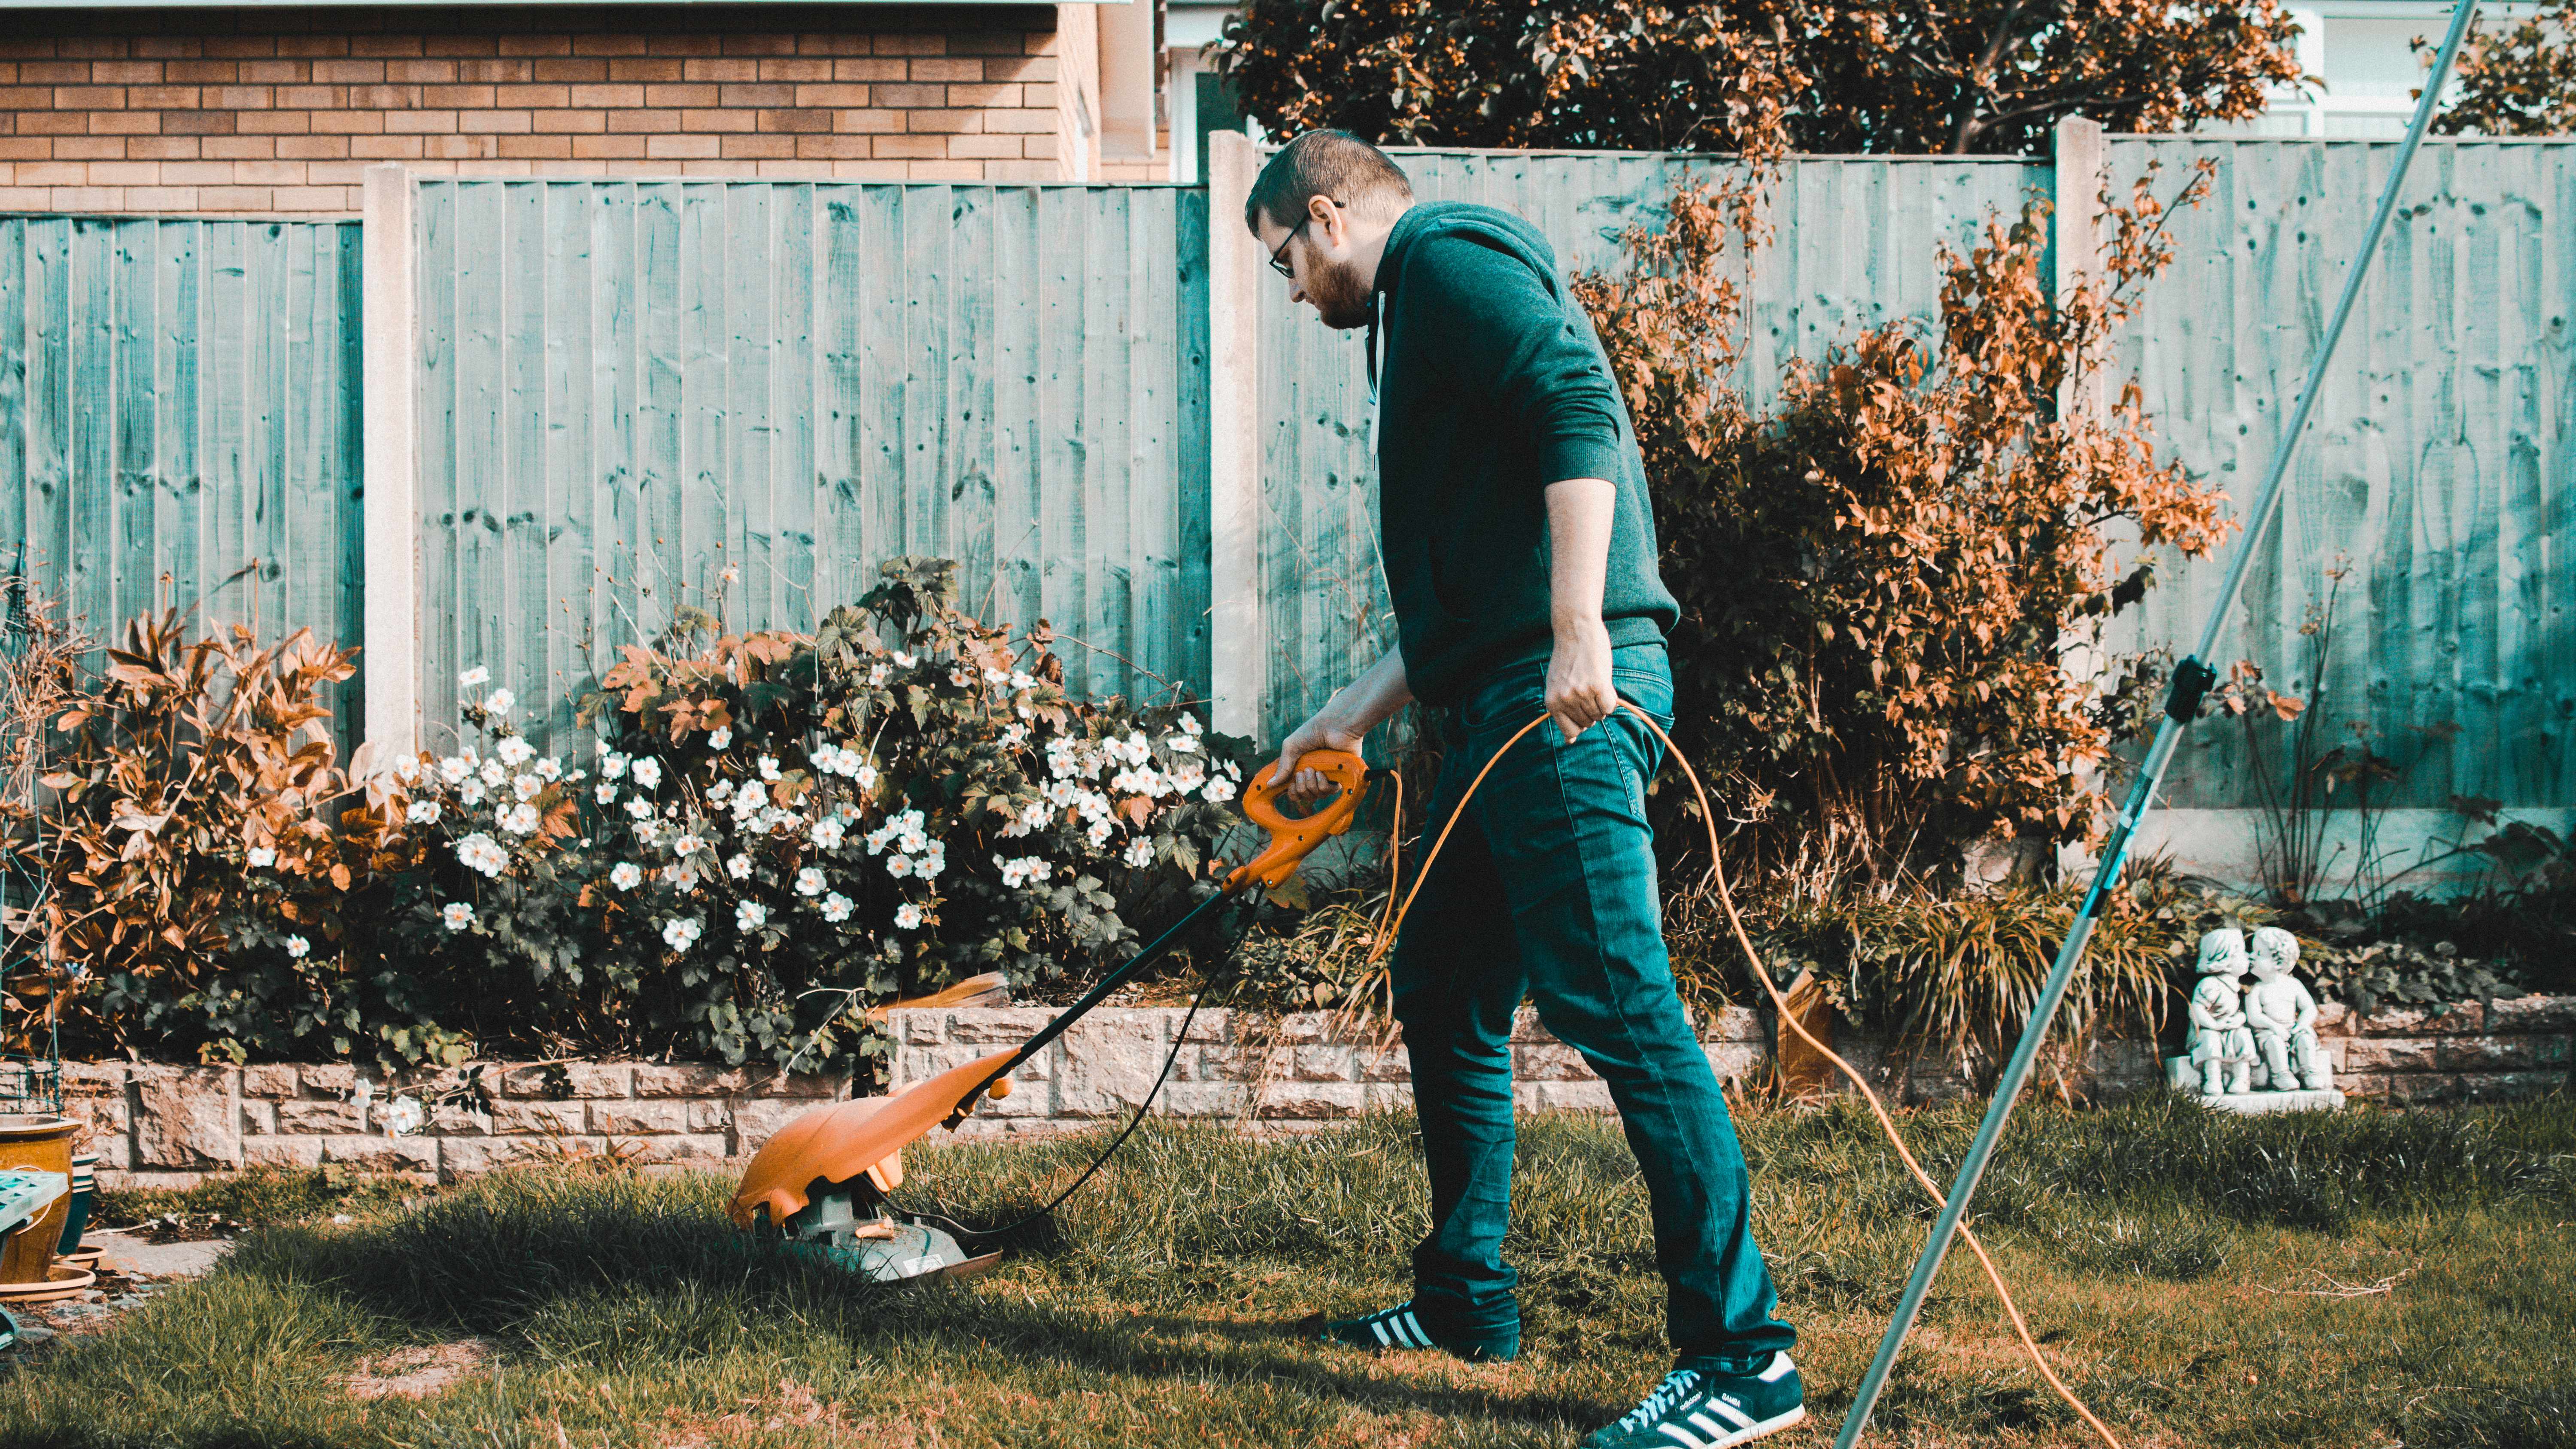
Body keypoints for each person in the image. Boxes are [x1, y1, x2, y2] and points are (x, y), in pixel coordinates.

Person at [1249, 130, 1802, 1449]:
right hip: (1500, 699)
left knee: (1618, 1003)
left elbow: (1574, 400)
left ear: (1326, 218)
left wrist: (1576, 628)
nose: (1288, 291)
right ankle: (1465, 1299)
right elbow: (1463, 596)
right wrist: (1345, 716)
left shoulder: (1450, 258)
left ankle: (1743, 1362)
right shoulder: (1416, 318)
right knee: (1442, 981)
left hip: (1560, 707)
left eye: (1282, 261)